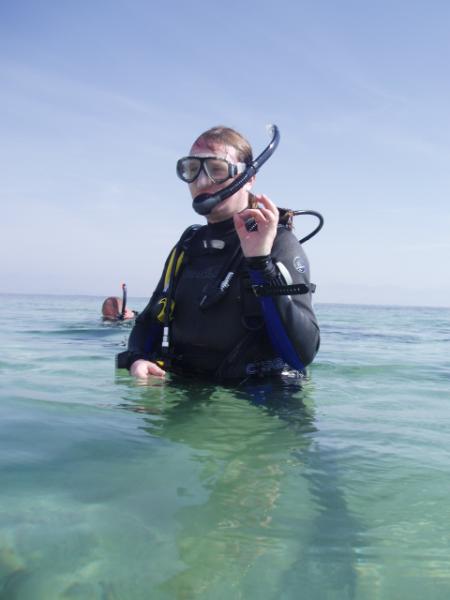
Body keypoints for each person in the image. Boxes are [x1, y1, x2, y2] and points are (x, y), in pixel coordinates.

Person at [117, 125, 320, 381]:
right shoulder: (188, 245)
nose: (201, 182)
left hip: (259, 397)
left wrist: (260, 263)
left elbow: (302, 354)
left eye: (217, 169)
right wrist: (137, 358)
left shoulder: (278, 243)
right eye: (192, 169)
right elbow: (150, 320)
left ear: (249, 178)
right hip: (186, 390)